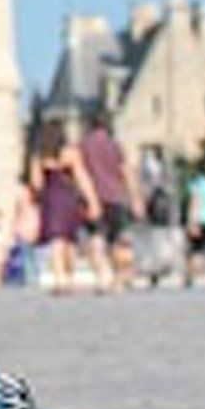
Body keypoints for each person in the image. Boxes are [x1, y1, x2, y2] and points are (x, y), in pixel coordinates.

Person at [28, 120, 103, 294]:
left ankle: (60, 277)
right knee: (69, 240)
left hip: (51, 199)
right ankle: (69, 275)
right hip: (68, 198)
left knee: (56, 241)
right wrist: (92, 201)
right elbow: (82, 177)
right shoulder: (70, 153)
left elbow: (36, 183)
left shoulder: (40, 156)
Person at [78, 109, 138, 290]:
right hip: (116, 196)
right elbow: (127, 172)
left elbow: (79, 173)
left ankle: (102, 276)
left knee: (96, 237)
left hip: (93, 198)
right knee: (117, 239)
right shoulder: (114, 145)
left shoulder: (83, 145)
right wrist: (135, 197)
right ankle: (120, 277)